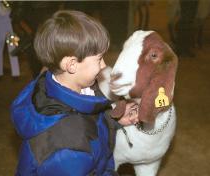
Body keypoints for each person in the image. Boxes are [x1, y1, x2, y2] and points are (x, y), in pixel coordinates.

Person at [11, 10, 138, 176]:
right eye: (99, 59)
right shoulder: (67, 147)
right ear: (71, 65)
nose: (104, 65)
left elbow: (90, 120)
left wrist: (114, 119)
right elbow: (82, 133)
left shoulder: (68, 87)